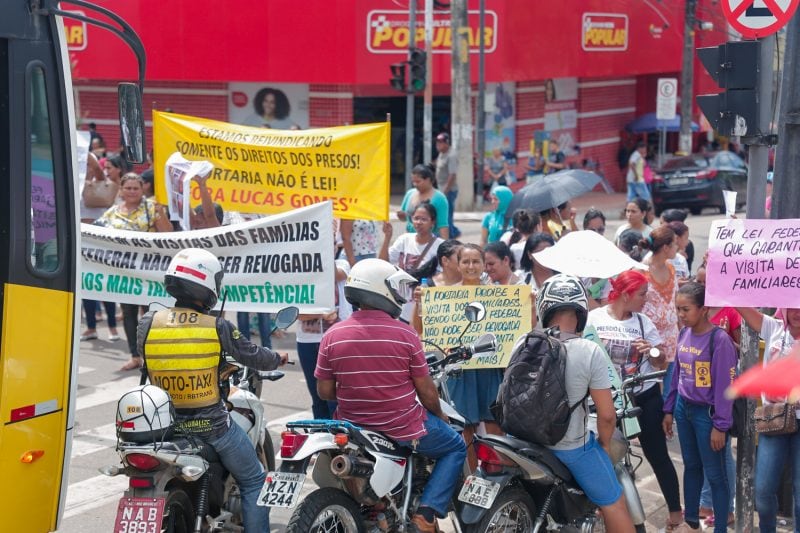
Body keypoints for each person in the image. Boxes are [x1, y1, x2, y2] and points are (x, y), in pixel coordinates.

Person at [137, 249, 289, 533]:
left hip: (163, 426)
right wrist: (276, 357)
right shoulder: (217, 326)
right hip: (211, 428)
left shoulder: (148, 322)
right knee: (255, 480)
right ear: (208, 285)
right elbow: (253, 355)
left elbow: (150, 359)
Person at [315, 259, 466, 533]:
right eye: (395, 289)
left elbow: (324, 391)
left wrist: (357, 387)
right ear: (381, 290)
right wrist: (440, 415)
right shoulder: (405, 334)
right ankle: (426, 515)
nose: (398, 295)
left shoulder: (333, 334)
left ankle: (384, 505)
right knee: (455, 445)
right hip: (401, 426)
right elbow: (426, 391)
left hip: (352, 426)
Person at [537, 274, 636, 532]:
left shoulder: (523, 342)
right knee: (614, 502)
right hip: (570, 447)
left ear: (543, 309)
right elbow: (607, 416)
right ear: (581, 312)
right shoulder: (588, 350)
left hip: (524, 441)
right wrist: (603, 446)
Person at [585, 270, 683, 530]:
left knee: (658, 454)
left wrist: (651, 351)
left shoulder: (643, 322)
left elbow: (661, 361)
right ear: (625, 295)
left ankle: (675, 512)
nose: (645, 300)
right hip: (606, 400)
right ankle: (605, 511)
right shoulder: (594, 318)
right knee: (605, 455)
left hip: (643, 397)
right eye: (642, 294)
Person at [663, 282, 737, 533]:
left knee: (715, 475)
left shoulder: (720, 340)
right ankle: (692, 522)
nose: (680, 315)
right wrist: (669, 409)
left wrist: (720, 425)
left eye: (686, 309)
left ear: (704, 309)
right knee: (691, 467)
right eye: (678, 309)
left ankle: (720, 528)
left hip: (707, 415)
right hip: (684, 410)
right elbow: (676, 373)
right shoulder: (684, 333)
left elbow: (726, 387)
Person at [95, 173, 173, 370]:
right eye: (128, 188)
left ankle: (153, 356)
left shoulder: (152, 208)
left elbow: (168, 235)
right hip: (124, 273)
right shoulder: (112, 212)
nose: (132, 192)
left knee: (152, 314)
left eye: (135, 188)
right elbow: (97, 233)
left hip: (149, 271)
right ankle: (135, 356)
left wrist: (161, 213)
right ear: (121, 190)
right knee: (128, 313)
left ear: (142, 189)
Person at [734, 305, 800, 533]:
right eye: (794, 307)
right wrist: (723, 286)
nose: (798, 313)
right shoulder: (774, 328)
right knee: (762, 492)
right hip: (774, 419)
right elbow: (740, 304)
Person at [447, 244, 504, 470]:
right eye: (466, 261)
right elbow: (422, 328)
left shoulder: (500, 294)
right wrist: (421, 305)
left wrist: (528, 303)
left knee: (495, 424)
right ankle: (470, 479)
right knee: (465, 428)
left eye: (476, 261)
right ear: (458, 264)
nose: (471, 266)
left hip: (490, 366)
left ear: (483, 265)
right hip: (461, 370)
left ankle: (496, 478)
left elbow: (518, 328)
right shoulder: (445, 295)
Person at [382, 202, 443, 320]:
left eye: (424, 219)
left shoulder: (440, 246)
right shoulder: (404, 239)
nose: (419, 222)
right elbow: (383, 262)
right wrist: (387, 237)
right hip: (402, 310)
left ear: (433, 222)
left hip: (426, 311)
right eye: (416, 218)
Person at [639, 226, 680, 399]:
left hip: (672, 336)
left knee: (670, 387)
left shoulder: (671, 268)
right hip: (650, 337)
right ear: (665, 247)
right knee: (652, 384)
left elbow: (676, 301)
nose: (677, 247)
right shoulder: (642, 271)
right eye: (675, 244)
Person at [398, 164, 450, 239]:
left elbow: (443, 225)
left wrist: (445, 244)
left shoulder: (440, 198)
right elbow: (404, 218)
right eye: (413, 182)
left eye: (418, 181)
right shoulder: (409, 194)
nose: (415, 184)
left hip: (430, 239)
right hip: (411, 238)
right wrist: (402, 216)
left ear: (428, 180)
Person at [435, 132, 461, 238]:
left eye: (441, 142)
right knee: (444, 214)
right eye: (437, 142)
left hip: (449, 190)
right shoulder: (442, 153)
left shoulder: (451, 155)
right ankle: (454, 232)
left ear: (446, 143)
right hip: (441, 188)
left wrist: (445, 191)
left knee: (446, 215)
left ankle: (450, 236)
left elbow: (452, 175)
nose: (438, 145)